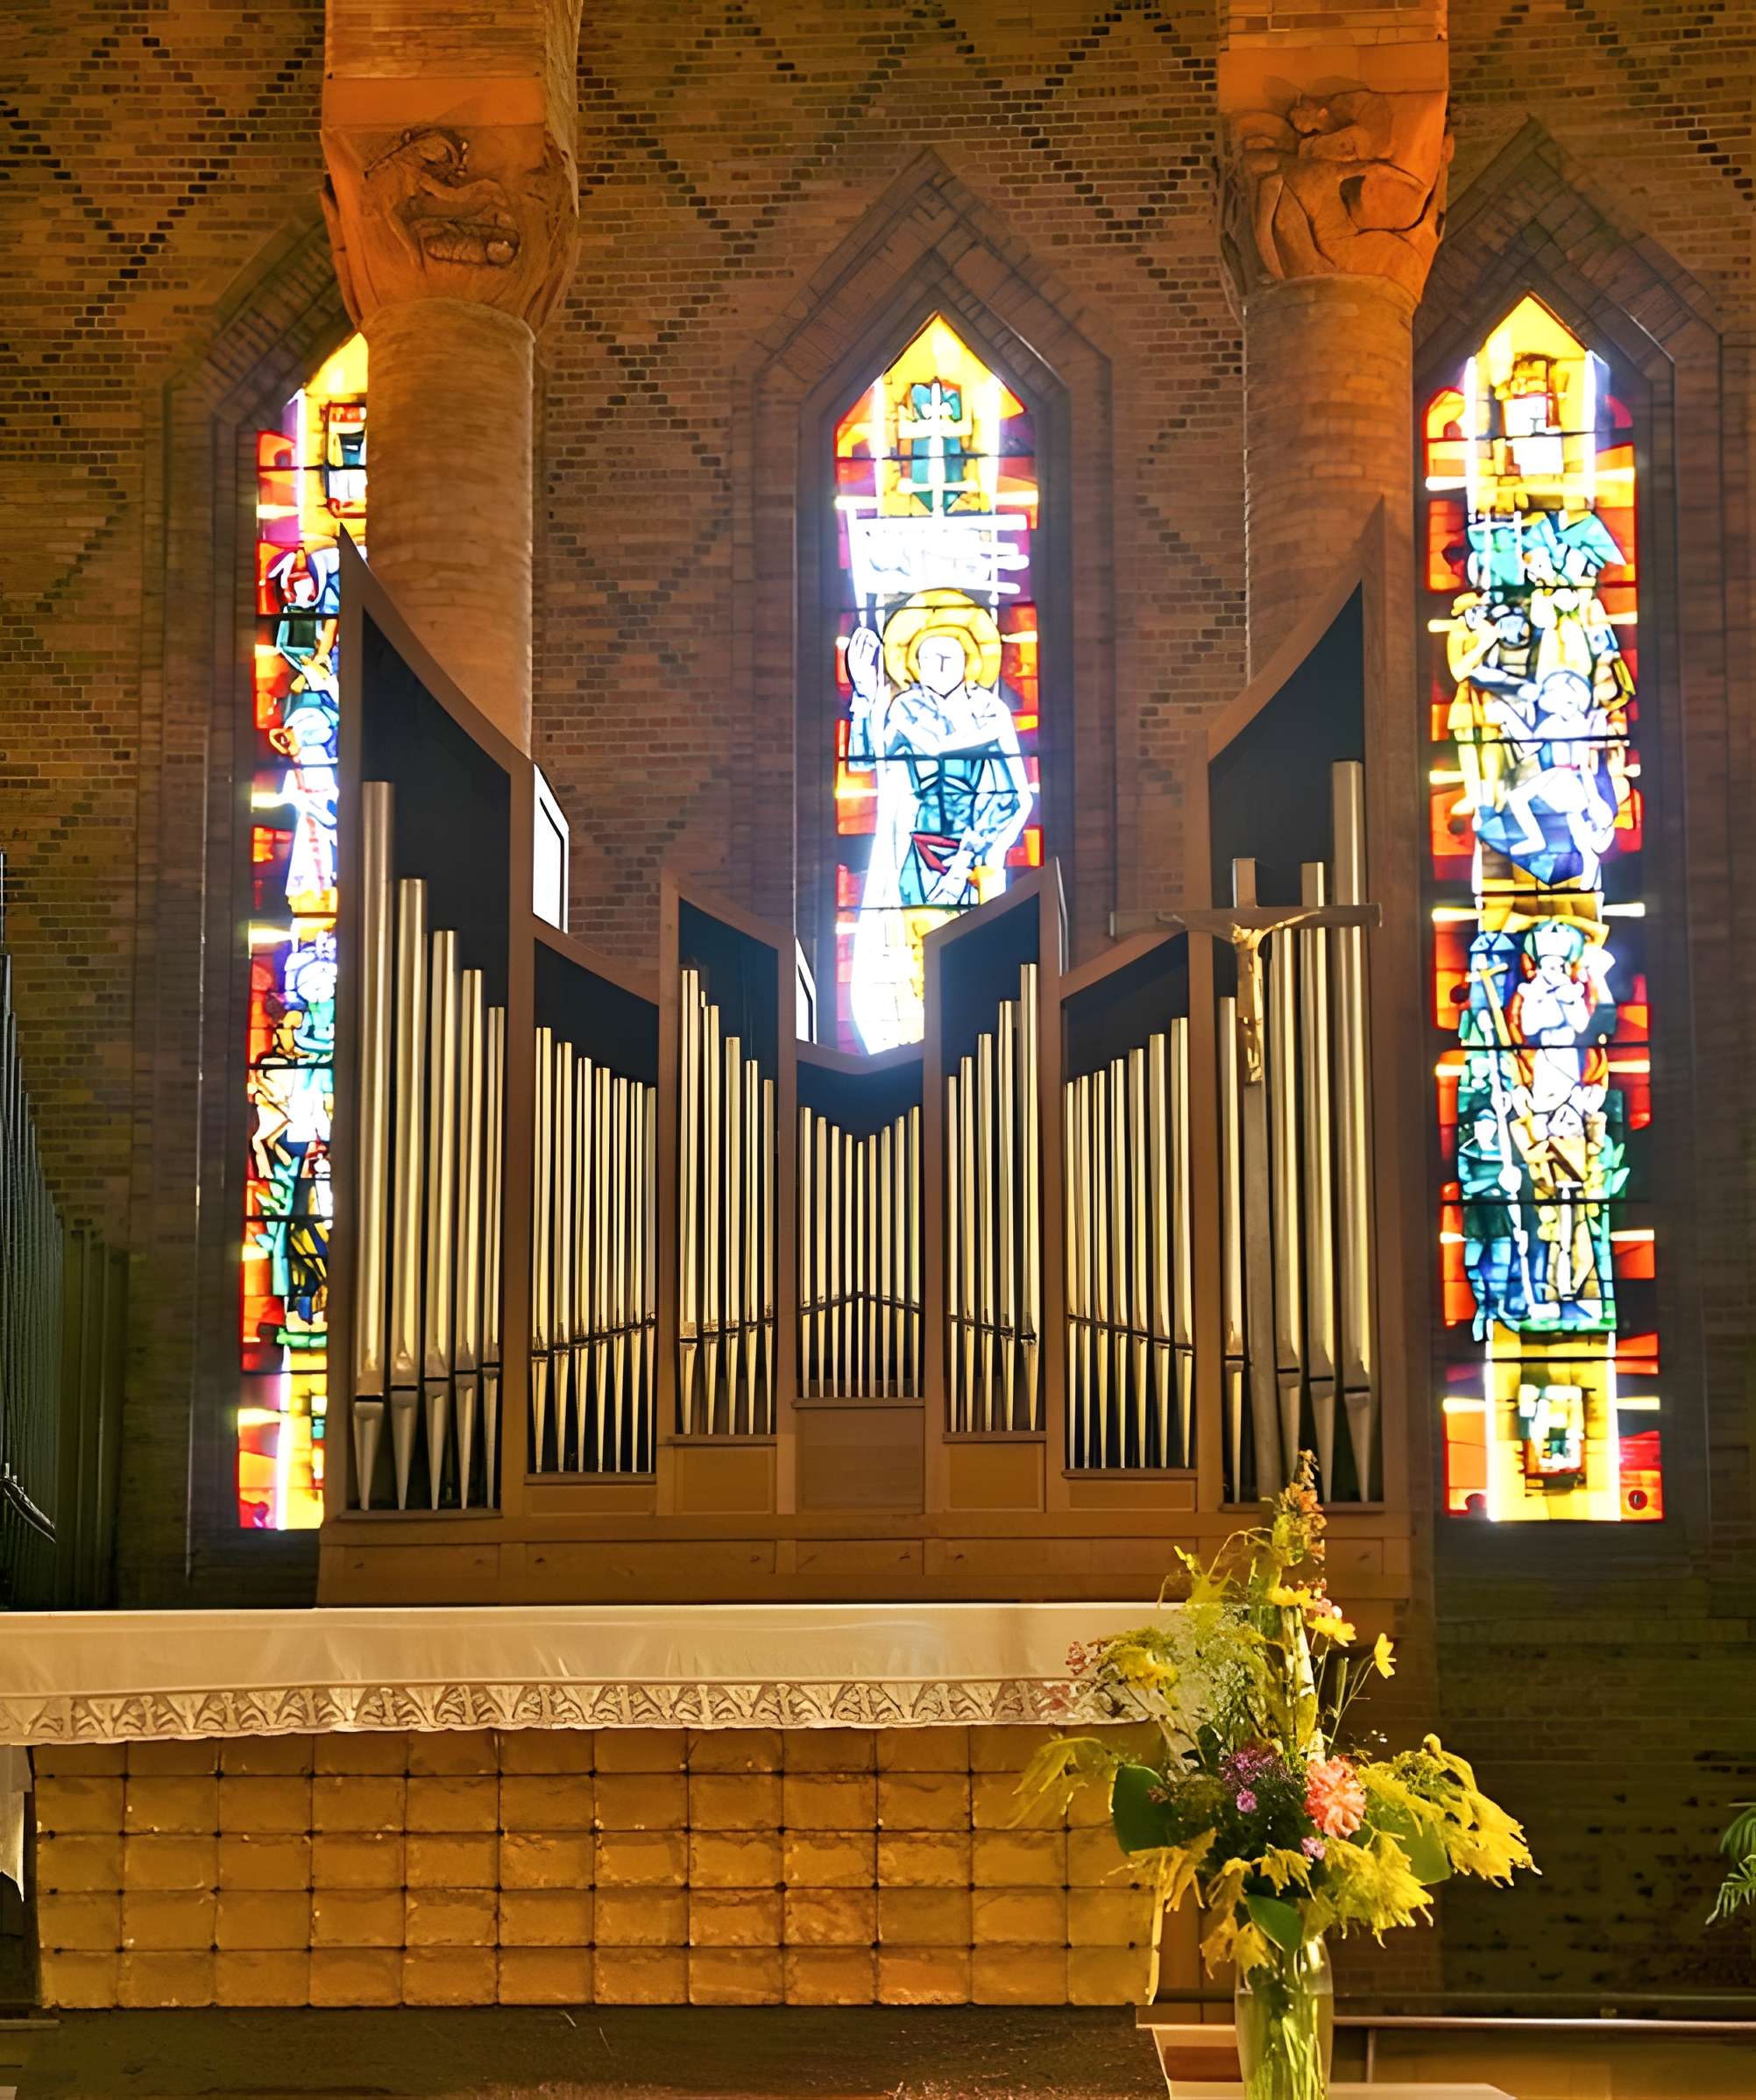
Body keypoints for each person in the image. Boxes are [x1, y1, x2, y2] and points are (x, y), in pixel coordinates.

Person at [843, 593, 1033, 1051]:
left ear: (969, 660)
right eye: (926, 656)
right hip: (917, 850)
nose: (936, 663)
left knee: (970, 949)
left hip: (975, 858)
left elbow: (1013, 795)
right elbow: (867, 759)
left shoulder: (991, 713)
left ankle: (971, 1045)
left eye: (947, 654)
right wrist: (866, 694)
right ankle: (918, 1044)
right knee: (919, 949)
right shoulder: (904, 711)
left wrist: (972, 854)